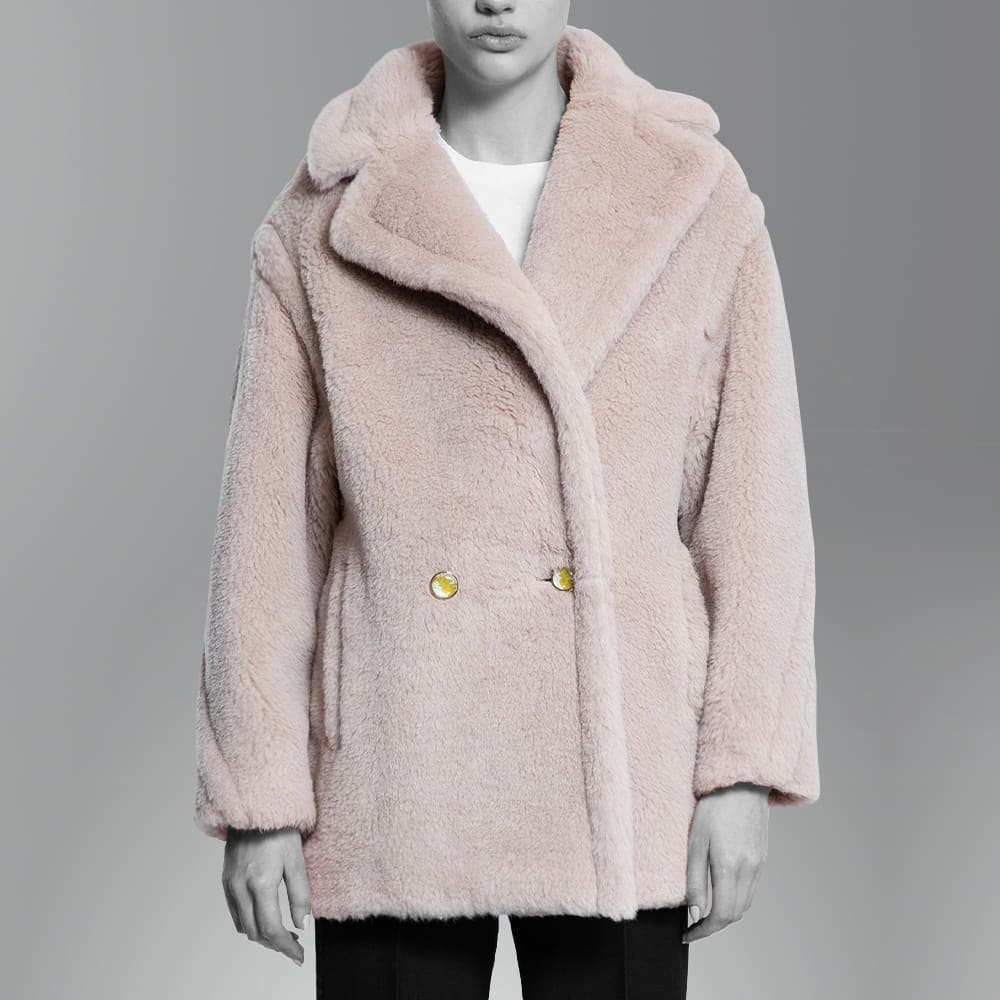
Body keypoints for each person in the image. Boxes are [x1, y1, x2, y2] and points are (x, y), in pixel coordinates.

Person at [193, 3, 820, 997]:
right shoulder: (324, 213)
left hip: (620, 761)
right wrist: (259, 796)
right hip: (400, 761)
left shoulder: (694, 195)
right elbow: (267, 536)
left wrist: (741, 769)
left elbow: (754, 510)